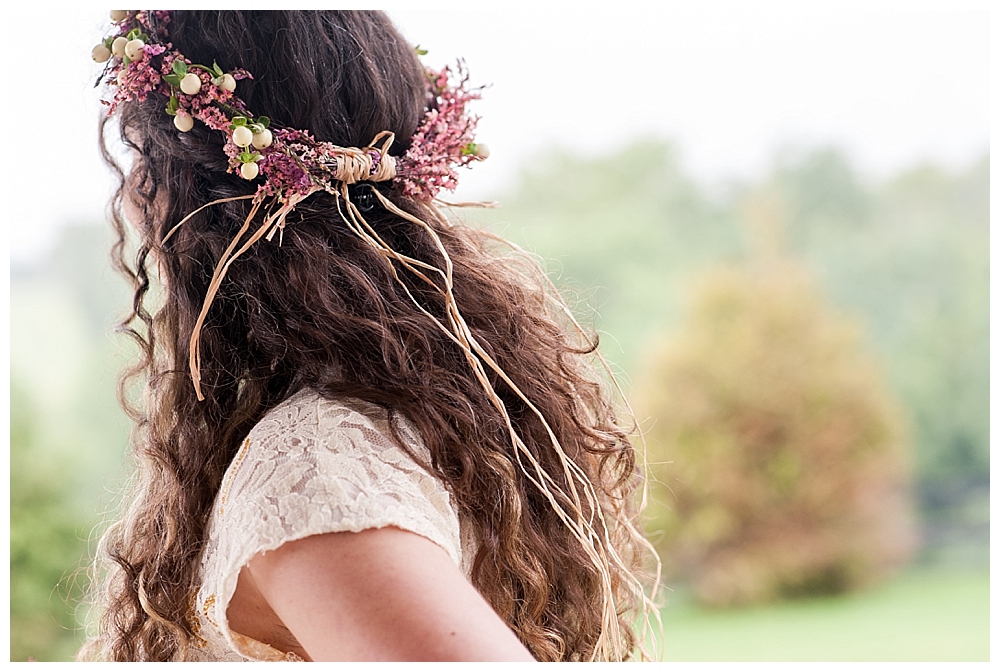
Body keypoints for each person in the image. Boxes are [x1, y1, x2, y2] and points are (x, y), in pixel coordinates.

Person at [82, 10, 659, 662]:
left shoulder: (315, 475)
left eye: (141, 164)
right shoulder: (406, 416)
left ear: (183, 185)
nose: (133, 196)